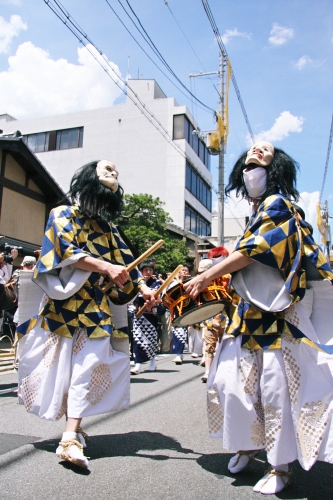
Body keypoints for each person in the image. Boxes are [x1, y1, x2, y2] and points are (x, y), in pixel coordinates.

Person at [184, 141, 333, 495]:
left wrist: (206, 275)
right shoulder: (259, 210)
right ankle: (250, 442)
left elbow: (257, 250)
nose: (259, 149)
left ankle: (280, 465)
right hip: (248, 315)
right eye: (253, 150)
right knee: (228, 381)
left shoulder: (279, 204)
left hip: (277, 315)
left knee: (274, 389)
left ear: (276, 167)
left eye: (266, 150)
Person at [17, 160, 157, 469]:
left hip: (96, 309)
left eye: (115, 179)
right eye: (105, 174)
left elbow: (126, 261)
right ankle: (74, 429)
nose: (113, 175)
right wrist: (105, 266)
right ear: (88, 183)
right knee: (62, 372)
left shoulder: (108, 228)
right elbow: (64, 251)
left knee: (88, 368)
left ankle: (68, 439)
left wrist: (144, 286)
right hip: (62, 307)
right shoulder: (60, 214)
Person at [131, 261, 162, 374]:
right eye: (146, 270)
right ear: (141, 272)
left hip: (151, 314)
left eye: (150, 270)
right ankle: (138, 364)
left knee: (152, 338)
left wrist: (152, 301)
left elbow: (159, 299)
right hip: (138, 314)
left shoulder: (156, 282)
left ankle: (152, 361)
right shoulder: (138, 283)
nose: (148, 272)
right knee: (137, 338)